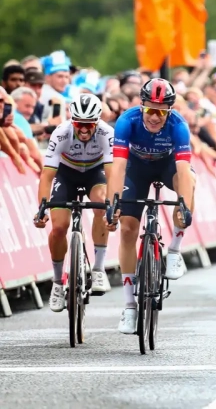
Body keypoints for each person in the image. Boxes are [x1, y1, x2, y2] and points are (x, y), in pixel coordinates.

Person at [104, 78, 195, 334]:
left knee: (190, 184)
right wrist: (113, 203)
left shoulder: (178, 126)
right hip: (136, 169)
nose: (155, 116)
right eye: (150, 109)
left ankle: (175, 249)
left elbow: (183, 171)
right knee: (128, 229)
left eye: (161, 111)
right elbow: (118, 168)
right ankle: (130, 306)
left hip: (167, 166)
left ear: (170, 110)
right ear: (141, 105)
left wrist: (184, 206)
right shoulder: (126, 121)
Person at [33, 94, 113, 312]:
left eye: (89, 125)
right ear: (72, 120)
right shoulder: (61, 133)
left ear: (97, 122)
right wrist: (42, 208)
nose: (84, 130)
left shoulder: (107, 133)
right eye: (79, 124)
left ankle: (98, 269)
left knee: (101, 204)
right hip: (66, 174)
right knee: (59, 227)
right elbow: (47, 176)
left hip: (95, 173)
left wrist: (113, 205)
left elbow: (112, 174)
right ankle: (58, 283)